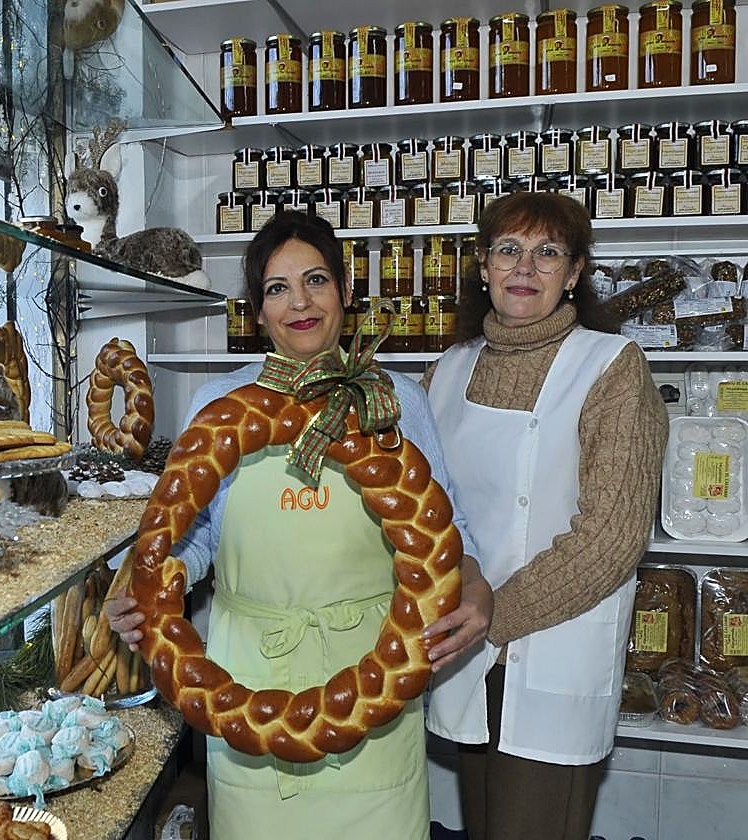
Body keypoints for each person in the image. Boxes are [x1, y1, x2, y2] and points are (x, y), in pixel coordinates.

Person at [104, 211, 493, 839]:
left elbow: (444, 530)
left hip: (375, 670)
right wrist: (160, 582)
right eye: (277, 289)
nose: (300, 302)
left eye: (316, 280)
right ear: (257, 311)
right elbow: (200, 534)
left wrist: (474, 586)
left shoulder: (393, 401)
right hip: (246, 679)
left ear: (345, 290)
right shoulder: (221, 409)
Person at [423, 192, 668, 840]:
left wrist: (490, 615)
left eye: (547, 252)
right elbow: (422, 510)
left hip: (549, 654)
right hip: (463, 658)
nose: (524, 267)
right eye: (508, 250)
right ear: (481, 266)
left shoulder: (613, 368)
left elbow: (612, 538)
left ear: (576, 271)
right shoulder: (443, 372)